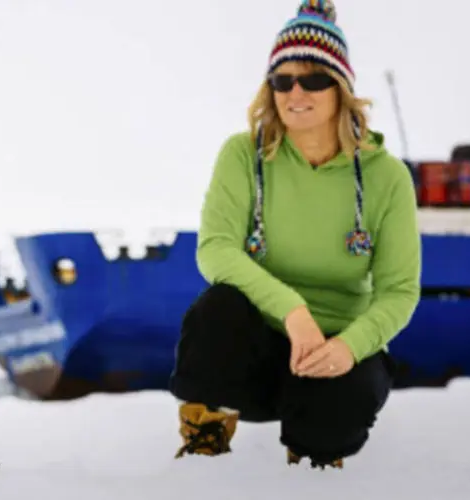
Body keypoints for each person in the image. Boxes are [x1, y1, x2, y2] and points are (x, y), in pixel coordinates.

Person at [169, 0, 421, 469]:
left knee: (335, 418)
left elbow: (399, 291)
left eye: (314, 79)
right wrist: (292, 311)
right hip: (260, 349)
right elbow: (215, 249)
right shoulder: (243, 155)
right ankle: (204, 447)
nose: (295, 92)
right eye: (282, 80)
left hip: (335, 350)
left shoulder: (387, 178)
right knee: (216, 309)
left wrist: (350, 346)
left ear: (341, 88)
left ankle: (314, 461)